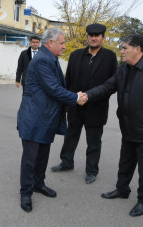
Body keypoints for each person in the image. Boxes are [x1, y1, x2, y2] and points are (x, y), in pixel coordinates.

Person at [85, 34, 143, 217]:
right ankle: (122, 190)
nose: (122, 51)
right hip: (128, 127)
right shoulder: (123, 69)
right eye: (122, 47)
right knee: (125, 162)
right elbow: (107, 87)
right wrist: (86, 95)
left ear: (138, 49)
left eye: (125, 48)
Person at [17, 28, 87, 213]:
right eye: (62, 43)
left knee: (42, 156)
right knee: (30, 159)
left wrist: (72, 96)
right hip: (34, 118)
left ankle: (38, 184)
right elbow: (54, 88)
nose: (64, 46)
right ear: (50, 43)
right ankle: (26, 193)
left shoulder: (50, 58)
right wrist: (75, 97)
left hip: (46, 118)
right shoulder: (42, 60)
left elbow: (56, 88)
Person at [51, 23, 117, 184]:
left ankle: (92, 170)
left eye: (97, 35)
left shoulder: (110, 57)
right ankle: (66, 162)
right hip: (75, 106)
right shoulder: (75, 55)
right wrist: (67, 100)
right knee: (70, 137)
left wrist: (91, 97)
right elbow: (68, 81)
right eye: (91, 35)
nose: (93, 38)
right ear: (87, 37)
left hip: (96, 108)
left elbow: (113, 84)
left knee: (94, 141)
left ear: (103, 38)